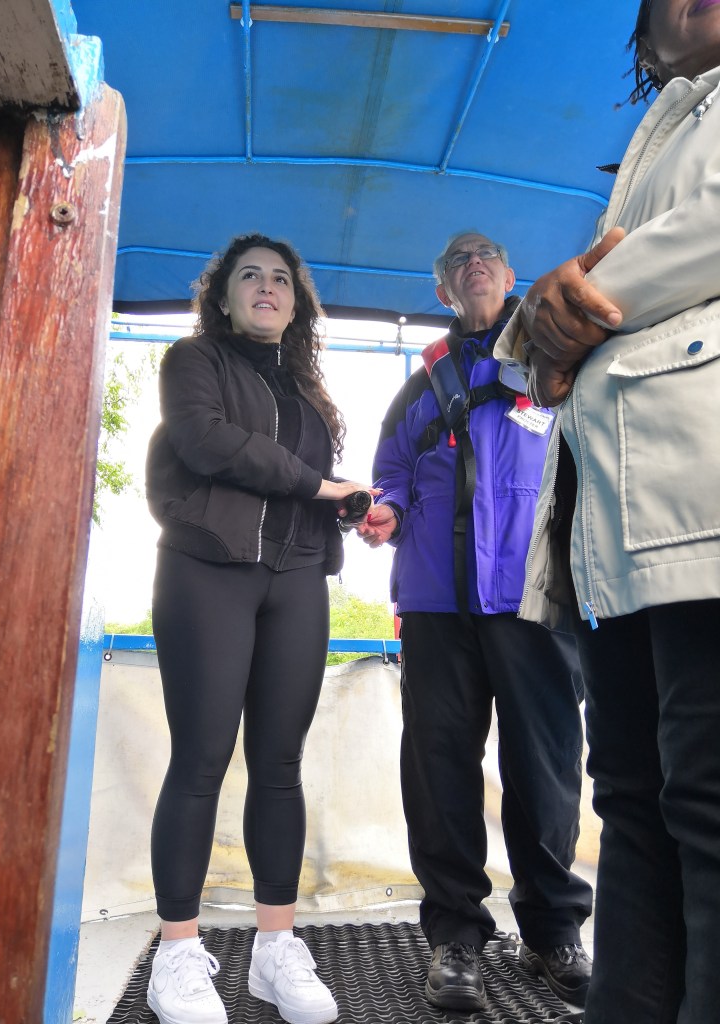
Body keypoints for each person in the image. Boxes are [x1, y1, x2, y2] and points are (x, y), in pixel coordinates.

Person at [494, 4, 720, 1021]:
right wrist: (551, 330)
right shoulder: (659, 140)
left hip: (703, 509)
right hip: (620, 532)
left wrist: (550, 318)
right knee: (631, 799)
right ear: (643, 44)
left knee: (706, 800)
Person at [144, 233, 377, 1024]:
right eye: (250, 276)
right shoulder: (193, 361)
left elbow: (308, 490)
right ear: (223, 295)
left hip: (297, 578)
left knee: (280, 764)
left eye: (281, 278)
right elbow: (208, 444)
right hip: (208, 568)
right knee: (201, 759)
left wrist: (351, 507)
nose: (267, 286)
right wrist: (321, 485)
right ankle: (178, 954)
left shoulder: (307, 393)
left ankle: (275, 950)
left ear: (297, 302)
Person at [358, 231, 594, 1012]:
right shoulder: (422, 382)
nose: (474, 265)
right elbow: (391, 470)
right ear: (443, 291)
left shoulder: (556, 355)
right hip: (435, 601)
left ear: (510, 274)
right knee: (439, 771)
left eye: (486, 254)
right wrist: (387, 509)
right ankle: (455, 938)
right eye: (458, 261)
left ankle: (553, 932)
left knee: (546, 768)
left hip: (535, 593)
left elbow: (592, 450)